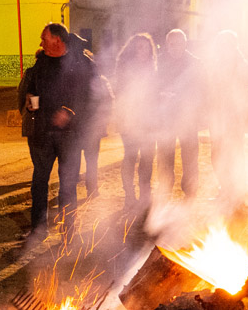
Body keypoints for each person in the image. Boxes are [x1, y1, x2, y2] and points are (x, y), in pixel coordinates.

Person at [21, 23, 98, 242]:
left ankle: (68, 230)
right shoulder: (41, 63)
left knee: (68, 183)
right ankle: (38, 229)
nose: (40, 43)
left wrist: (70, 111)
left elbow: (91, 96)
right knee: (39, 181)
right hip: (42, 133)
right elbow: (32, 88)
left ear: (58, 40)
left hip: (70, 136)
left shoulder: (81, 64)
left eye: (44, 38)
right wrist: (30, 101)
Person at [114, 33, 160, 213]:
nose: (144, 51)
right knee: (130, 156)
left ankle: (145, 194)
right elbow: (121, 95)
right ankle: (129, 195)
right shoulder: (126, 69)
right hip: (130, 120)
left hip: (150, 121)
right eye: (140, 47)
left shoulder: (154, 69)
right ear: (133, 50)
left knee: (148, 157)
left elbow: (155, 94)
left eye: (147, 48)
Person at [155, 29, 202, 201]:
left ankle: (190, 191)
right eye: (171, 43)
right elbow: (152, 87)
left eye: (179, 43)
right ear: (167, 44)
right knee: (164, 155)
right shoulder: (158, 63)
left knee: (190, 155)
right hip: (165, 118)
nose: (175, 47)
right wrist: (160, 94)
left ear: (185, 44)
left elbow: (201, 90)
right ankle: (165, 188)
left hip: (187, 117)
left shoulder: (195, 63)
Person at [206, 30, 248, 205]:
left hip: (234, 118)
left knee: (234, 154)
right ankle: (225, 188)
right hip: (217, 116)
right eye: (221, 44)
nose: (224, 48)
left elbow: (247, 90)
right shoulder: (216, 64)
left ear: (234, 45)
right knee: (217, 155)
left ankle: (236, 191)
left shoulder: (242, 64)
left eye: (227, 44)